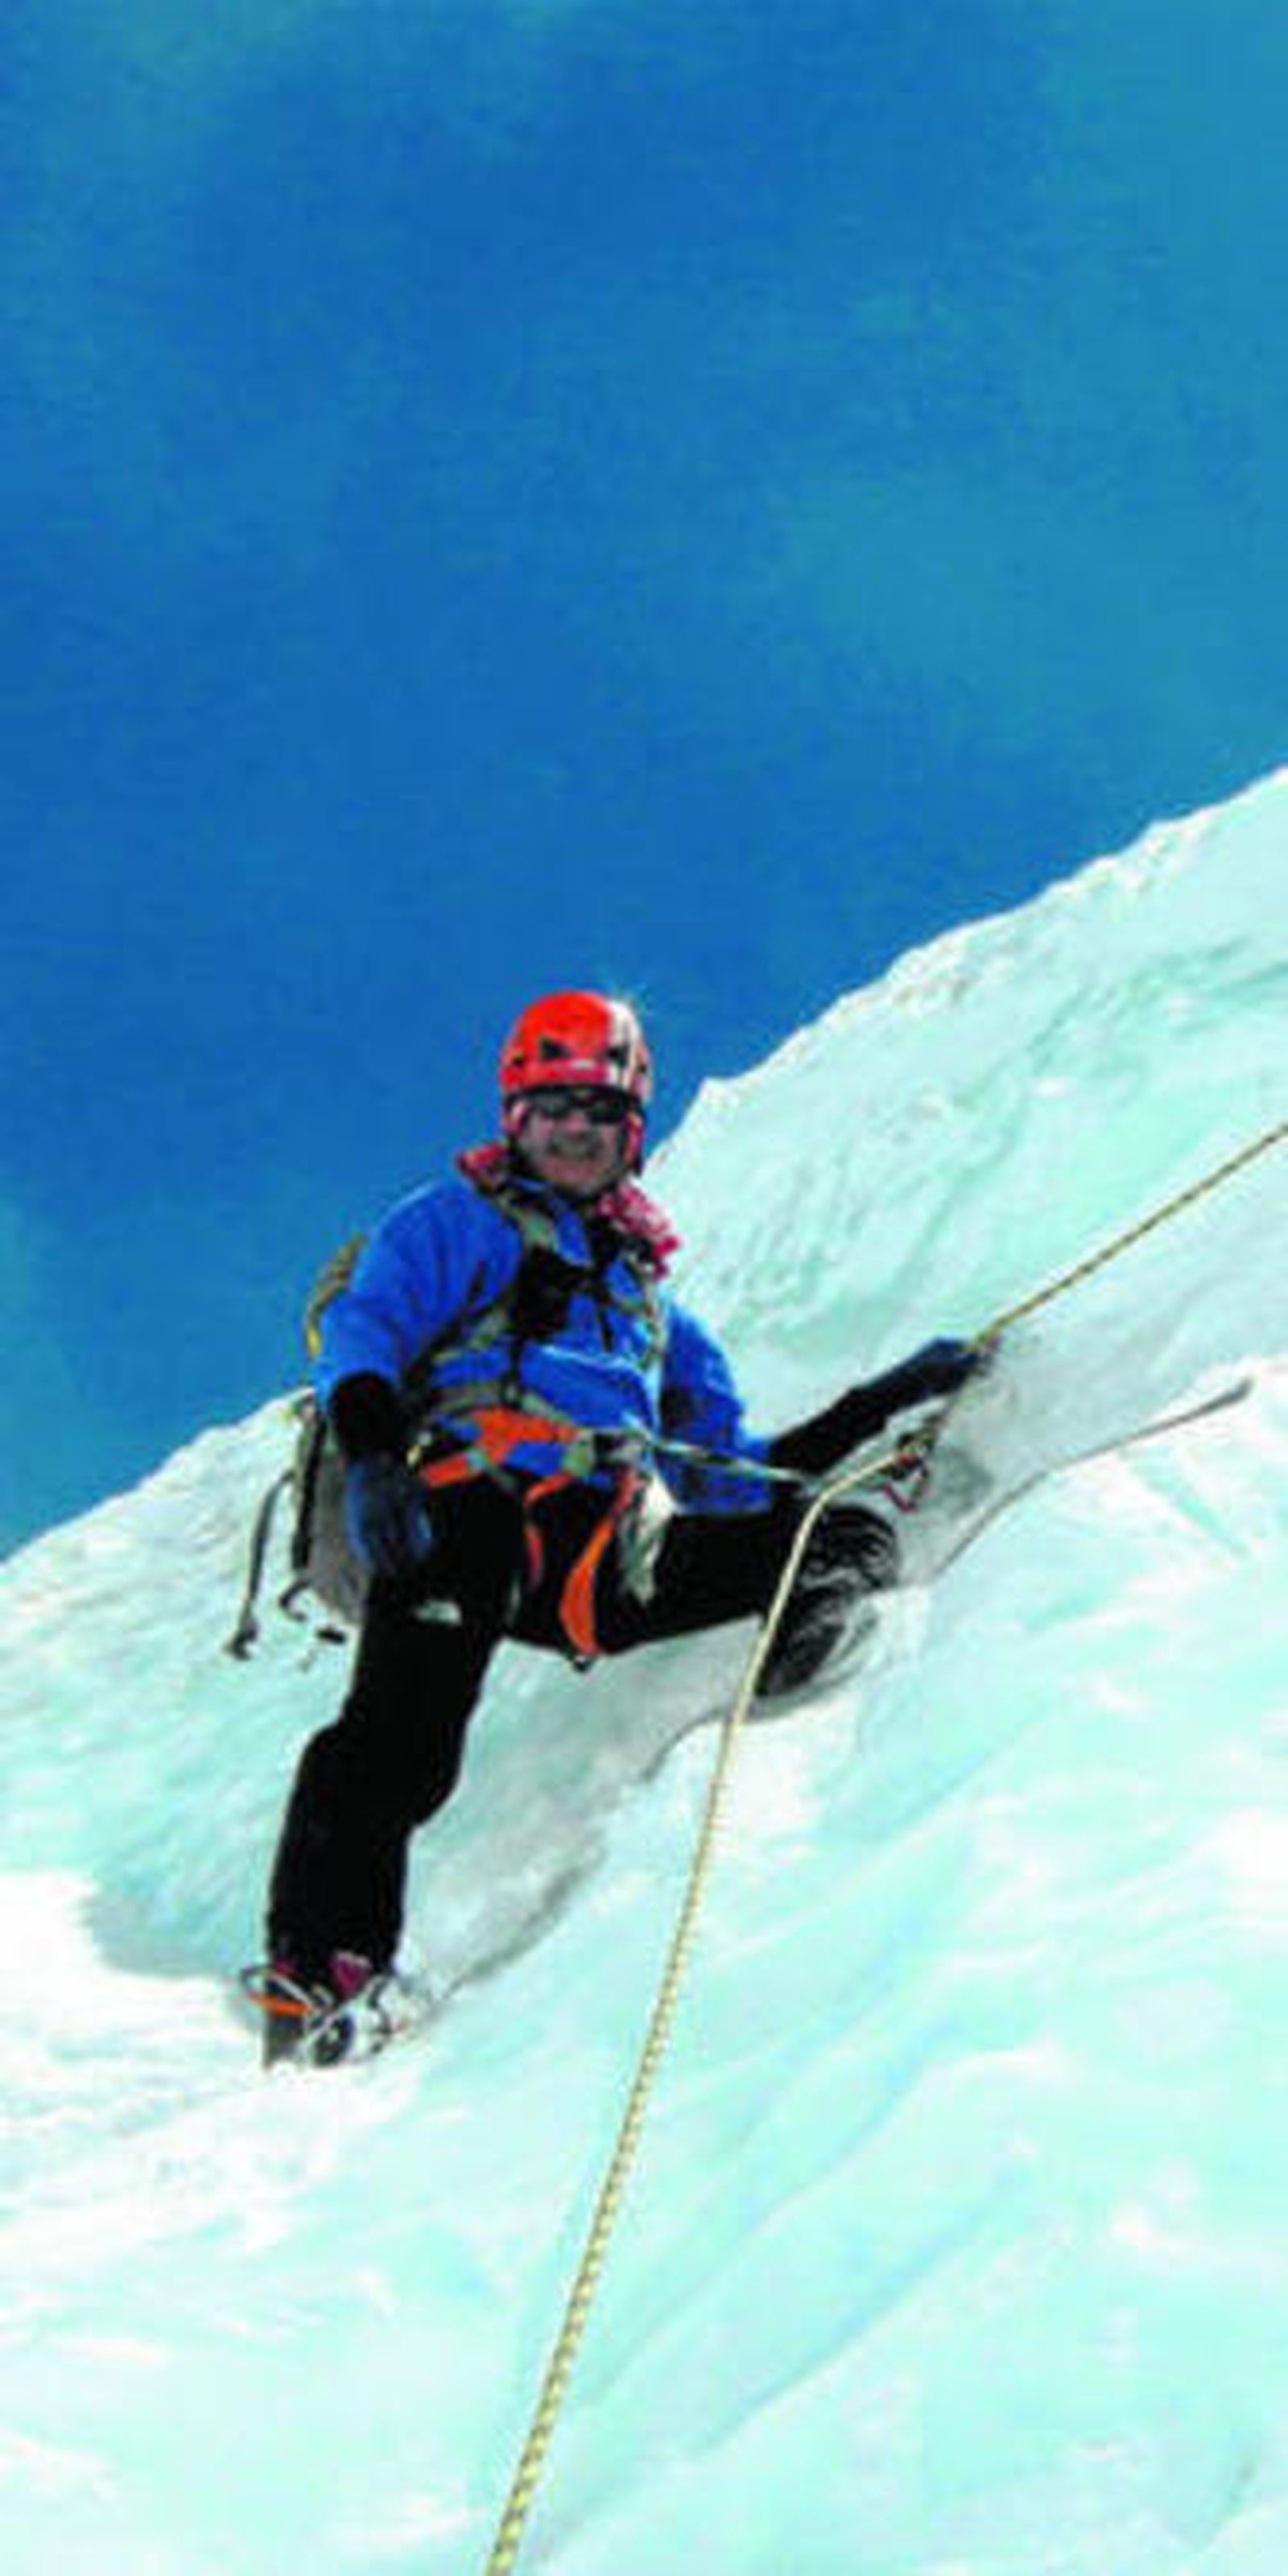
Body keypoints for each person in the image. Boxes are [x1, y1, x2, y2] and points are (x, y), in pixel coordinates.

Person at [250, 991, 981, 2062]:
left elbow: (729, 1473)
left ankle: (808, 1657)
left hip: (601, 1553)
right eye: (551, 1110)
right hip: (462, 1508)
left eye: (595, 1112)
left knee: (825, 1539)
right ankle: (321, 1975)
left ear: (630, 1132)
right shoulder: (457, 1223)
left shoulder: (653, 1314)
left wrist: (876, 1407)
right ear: (514, 1117)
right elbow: (368, 1330)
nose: (573, 1131)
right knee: (403, 1743)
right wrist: (371, 1456)